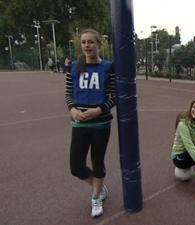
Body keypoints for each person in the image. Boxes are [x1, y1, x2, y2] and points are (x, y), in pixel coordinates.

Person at [65, 28, 116, 218]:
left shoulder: (108, 67)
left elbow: (114, 96)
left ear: (99, 44)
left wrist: (99, 110)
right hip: (79, 123)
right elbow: (69, 94)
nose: (87, 45)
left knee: (97, 161)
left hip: (101, 124)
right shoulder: (74, 67)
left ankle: (96, 196)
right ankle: (99, 186)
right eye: (84, 42)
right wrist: (72, 110)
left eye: (91, 42)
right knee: (76, 166)